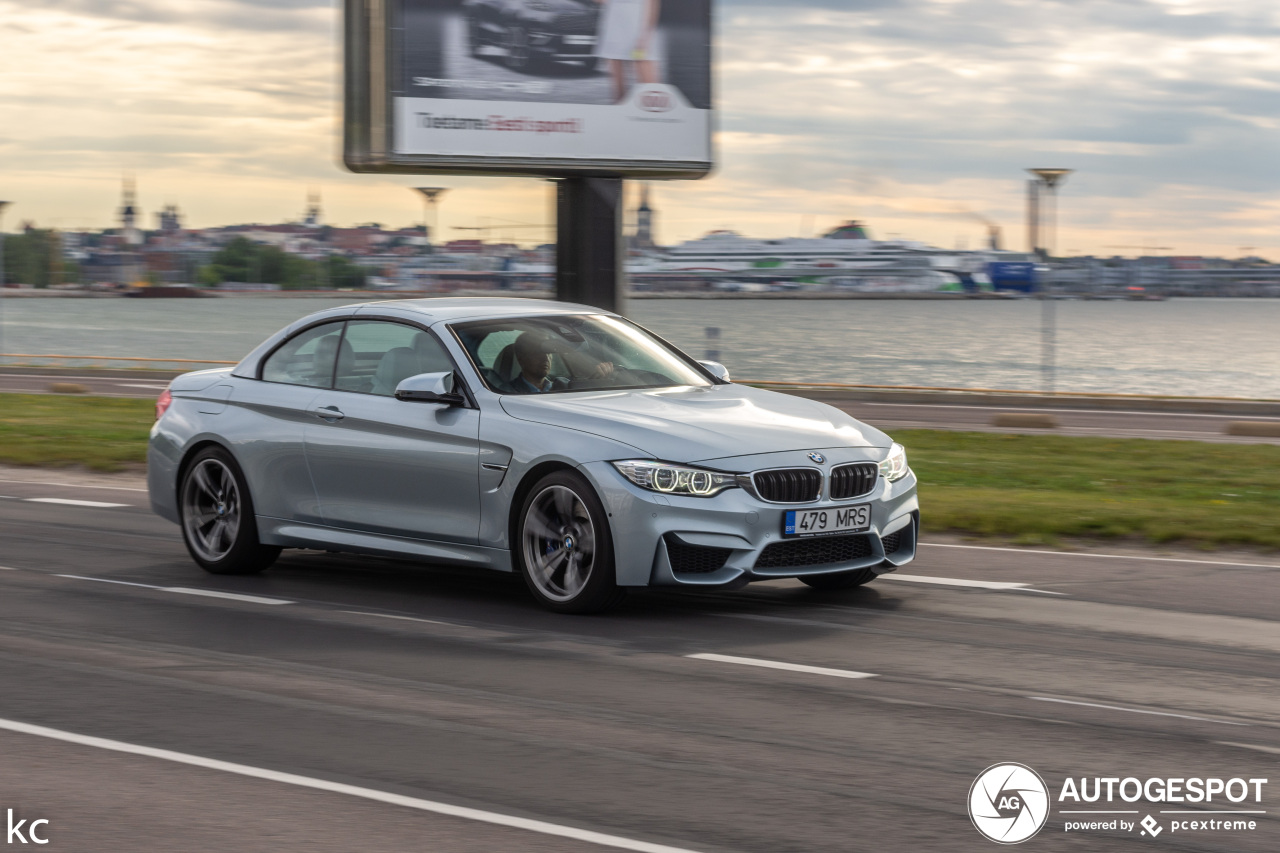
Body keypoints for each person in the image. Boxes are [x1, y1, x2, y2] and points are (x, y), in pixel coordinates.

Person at [593, 0, 661, 104]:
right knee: (619, 95)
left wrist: (646, 36)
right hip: (613, 30)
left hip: (638, 33)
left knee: (649, 89)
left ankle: (651, 116)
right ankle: (621, 115)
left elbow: (653, 5)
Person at [511, 332, 616, 393]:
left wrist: (598, 379)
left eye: (549, 352)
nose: (545, 358)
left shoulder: (565, 384)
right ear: (521, 359)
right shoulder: (508, 391)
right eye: (538, 353)